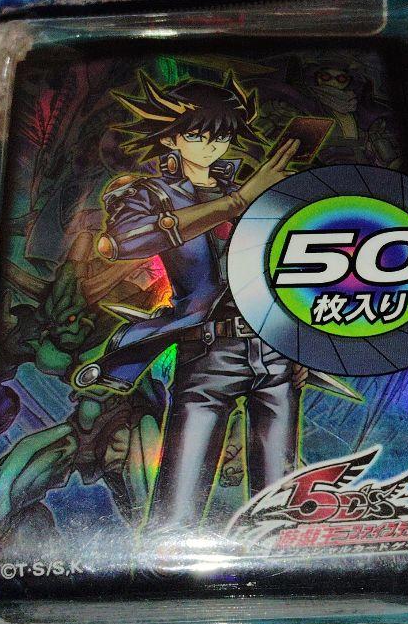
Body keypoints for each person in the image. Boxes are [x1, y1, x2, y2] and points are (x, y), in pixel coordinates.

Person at [74, 71, 303, 530]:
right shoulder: (150, 194)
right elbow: (119, 243)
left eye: (221, 135)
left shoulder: (254, 188)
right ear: (170, 137)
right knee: (176, 512)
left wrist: (304, 343)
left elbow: (290, 270)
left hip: (275, 346)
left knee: (279, 509)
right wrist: (237, 202)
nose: (211, 145)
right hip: (208, 351)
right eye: (197, 135)